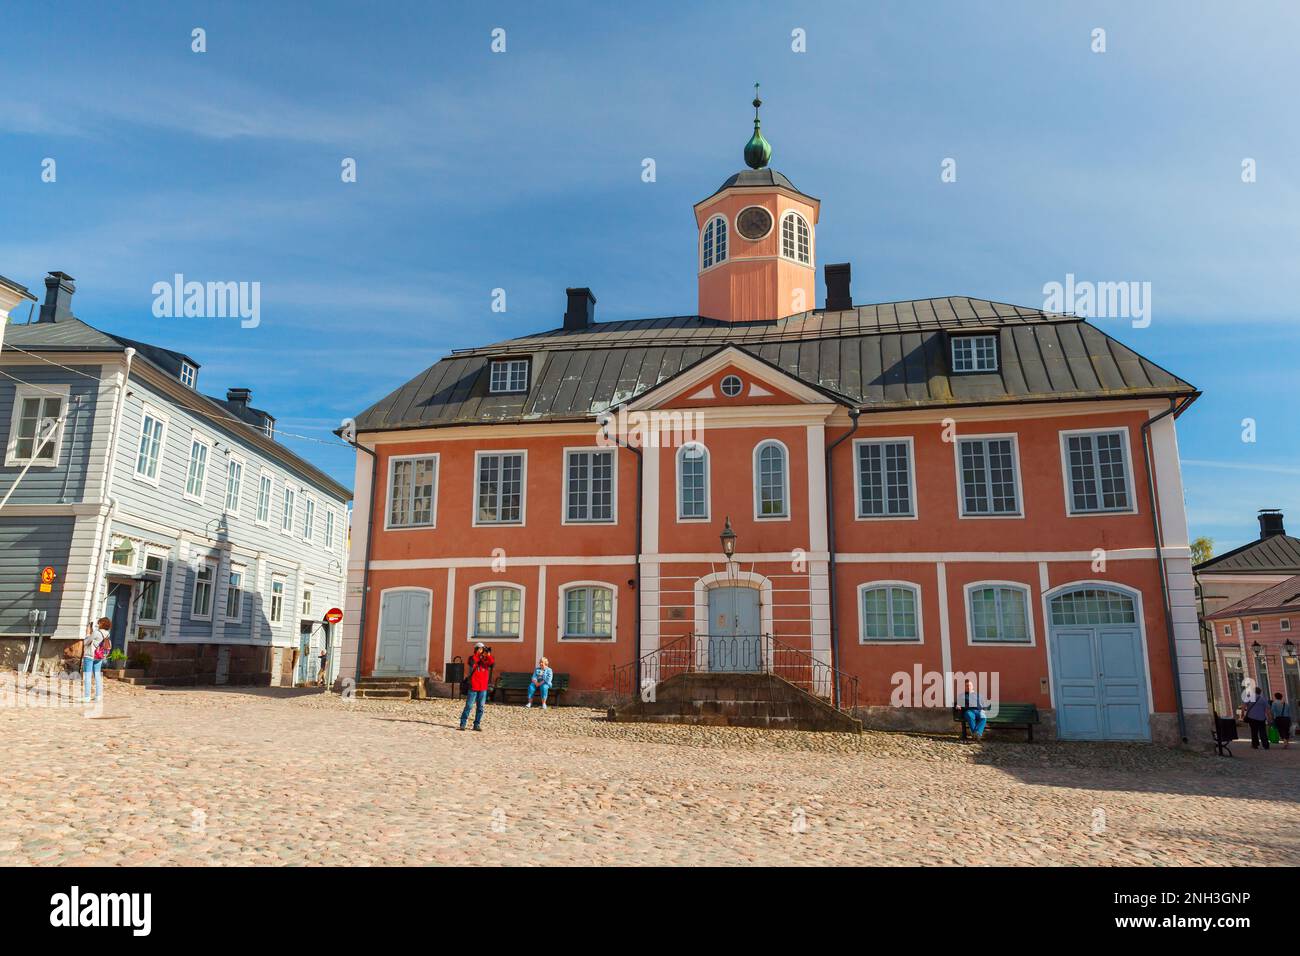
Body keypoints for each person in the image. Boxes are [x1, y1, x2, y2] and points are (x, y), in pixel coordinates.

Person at [459, 642, 495, 732]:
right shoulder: (472, 658)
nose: (482, 650)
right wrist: (478, 654)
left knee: (481, 707)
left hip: (483, 687)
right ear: (476, 649)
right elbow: (472, 662)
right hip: (473, 686)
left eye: (483, 649)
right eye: (480, 648)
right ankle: (463, 724)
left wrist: (488, 655)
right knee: (469, 706)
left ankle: (477, 724)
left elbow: (492, 663)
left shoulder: (485, 660)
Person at [82, 618, 111, 704]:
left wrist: (87, 633)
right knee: (97, 676)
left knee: (87, 675)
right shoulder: (107, 634)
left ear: (102, 624)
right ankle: (98, 696)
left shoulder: (96, 633)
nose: (98, 624)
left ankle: (87, 697)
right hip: (99, 656)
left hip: (90, 656)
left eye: (99, 623)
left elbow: (86, 642)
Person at [1241, 685, 1270, 750]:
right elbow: (1267, 710)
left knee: (1254, 731)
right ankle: (1265, 745)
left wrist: (1242, 714)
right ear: (1260, 692)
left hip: (1252, 718)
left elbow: (1243, 706)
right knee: (1263, 731)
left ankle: (1255, 744)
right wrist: (1269, 718)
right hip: (1261, 718)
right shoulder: (1263, 699)